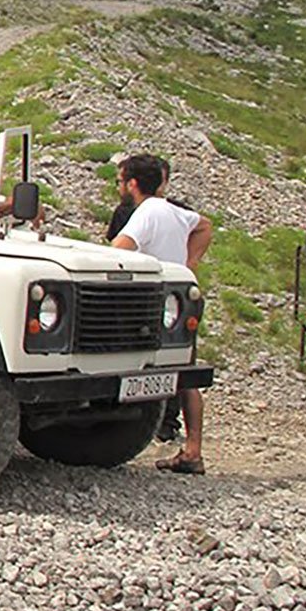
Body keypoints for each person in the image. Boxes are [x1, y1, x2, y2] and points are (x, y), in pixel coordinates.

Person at [110, 153, 214, 474]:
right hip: (179, 300)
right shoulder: (173, 210)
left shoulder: (147, 213)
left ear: (133, 184)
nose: (118, 188)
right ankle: (193, 449)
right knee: (186, 373)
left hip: (148, 302)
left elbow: (118, 249)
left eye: (120, 181)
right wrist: (188, 265)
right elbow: (205, 226)